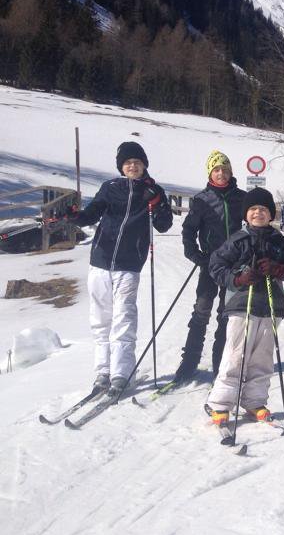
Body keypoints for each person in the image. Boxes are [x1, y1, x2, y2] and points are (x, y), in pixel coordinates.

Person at [67, 142, 172, 397]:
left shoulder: (153, 190)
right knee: (100, 320)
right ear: (121, 166)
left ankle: (122, 373)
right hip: (100, 261)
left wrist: (157, 203)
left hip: (129, 263)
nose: (132, 166)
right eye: (127, 162)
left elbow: (164, 224)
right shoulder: (110, 187)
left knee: (123, 318)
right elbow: (92, 214)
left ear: (144, 165)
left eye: (137, 162)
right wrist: (74, 216)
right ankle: (103, 371)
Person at [206, 188, 284, 424]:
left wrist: (278, 269)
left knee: (262, 357)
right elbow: (216, 266)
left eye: (264, 209)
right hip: (241, 305)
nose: (258, 213)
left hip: (271, 306)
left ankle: (254, 401)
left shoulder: (280, 242)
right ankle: (220, 403)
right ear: (246, 214)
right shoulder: (238, 240)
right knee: (236, 354)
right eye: (253, 209)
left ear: (271, 214)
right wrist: (238, 278)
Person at [175, 150, 245, 383]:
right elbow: (188, 230)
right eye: (216, 169)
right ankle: (189, 362)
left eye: (225, 169)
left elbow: (254, 225)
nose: (221, 173)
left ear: (231, 172)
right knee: (201, 310)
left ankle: (220, 364)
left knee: (226, 314)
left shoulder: (241, 198)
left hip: (233, 266)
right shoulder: (202, 200)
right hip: (210, 264)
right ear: (210, 173)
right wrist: (194, 254)